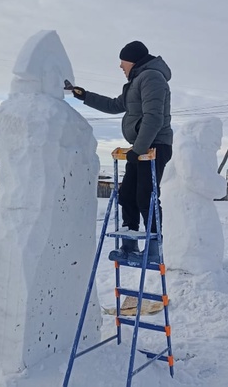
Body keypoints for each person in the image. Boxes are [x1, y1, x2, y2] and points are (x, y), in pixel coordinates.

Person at [69, 40, 173, 263]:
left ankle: (154, 250)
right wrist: (84, 95)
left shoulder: (152, 77)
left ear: (132, 60)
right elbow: (115, 105)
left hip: (154, 147)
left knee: (146, 196)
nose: (120, 66)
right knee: (127, 195)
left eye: (122, 61)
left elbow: (154, 117)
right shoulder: (138, 80)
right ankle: (129, 245)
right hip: (141, 148)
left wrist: (139, 148)